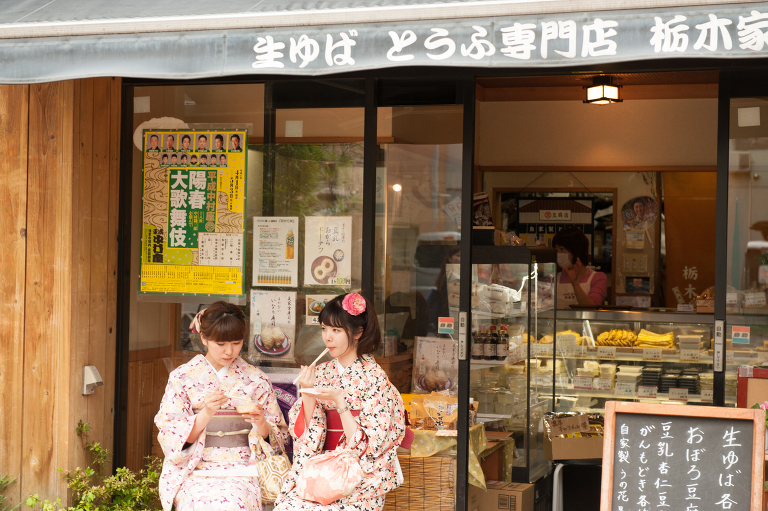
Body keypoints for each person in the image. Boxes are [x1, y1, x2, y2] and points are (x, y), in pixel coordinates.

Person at [274, 293, 406, 511]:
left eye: (336, 330)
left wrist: (339, 402)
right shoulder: (322, 372)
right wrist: (307, 394)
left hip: (358, 477)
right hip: (320, 470)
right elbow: (308, 442)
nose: (327, 338)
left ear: (358, 332)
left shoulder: (376, 380)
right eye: (324, 329)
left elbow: (371, 447)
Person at [155, 301, 288, 511]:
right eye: (221, 344)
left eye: (236, 343)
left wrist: (261, 423)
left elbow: (278, 438)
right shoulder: (182, 377)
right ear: (204, 338)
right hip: (196, 467)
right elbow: (171, 436)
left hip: (245, 467)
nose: (229, 351)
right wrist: (205, 414)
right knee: (198, 503)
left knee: (235, 503)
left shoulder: (256, 379)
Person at [553, 227, 607, 308]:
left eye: (561, 249)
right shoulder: (553, 279)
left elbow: (593, 309)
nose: (558, 253)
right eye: (556, 249)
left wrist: (575, 283)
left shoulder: (598, 278)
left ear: (576, 250)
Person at [426, 246, 460, 332]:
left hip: (450, 317)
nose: (462, 259)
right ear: (450, 259)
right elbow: (445, 303)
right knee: (447, 340)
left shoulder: (456, 275)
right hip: (447, 316)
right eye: (458, 256)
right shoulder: (449, 277)